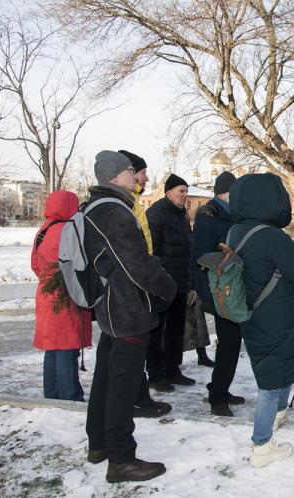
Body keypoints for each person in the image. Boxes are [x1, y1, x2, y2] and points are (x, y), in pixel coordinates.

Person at [83, 150, 176, 482]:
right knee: (124, 384)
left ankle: (98, 443)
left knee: (106, 378)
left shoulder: (92, 207)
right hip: (127, 310)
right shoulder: (115, 211)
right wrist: (167, 286)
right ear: (114, 176)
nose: (136, 175)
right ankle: (121, 459)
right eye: (130, 170)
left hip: (110, 307)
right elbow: (137, 264)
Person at [227, 173, 294, 468]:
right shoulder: (273, 236)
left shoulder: (235, 232)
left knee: (275, 370)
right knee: (271, 382)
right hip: (278, 317)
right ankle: (261, 445)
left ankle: (277, 418)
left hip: (252, 315)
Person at [118, 149, 172, 418]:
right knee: (128, 352)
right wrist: (157, 281)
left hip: (142, 283)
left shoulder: (135, 203)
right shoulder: (124, 206)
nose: (146, 177)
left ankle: (141, 397)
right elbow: (133, 253)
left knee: (138, 349)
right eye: (141, 172)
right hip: (133, 287)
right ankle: (134, 402)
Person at [190, 171, 246, 416]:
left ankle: (219, 388)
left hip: (230, 287)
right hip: (218, 290)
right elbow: (200, 256)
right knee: (230, 342)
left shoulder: (231, 214)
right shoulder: (208, 215)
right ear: (227, 193)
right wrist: (207, 295)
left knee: (231, 343)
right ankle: (217, 398)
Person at [31, 190, 92, 401]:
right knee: (67, 348)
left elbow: (35, 264)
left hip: (46, 295)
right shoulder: (69, 230)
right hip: (66, 296)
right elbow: (80, 263)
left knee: (53, 349)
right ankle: (71, 397)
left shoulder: (43, 230)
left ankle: (52, 394)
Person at [145, 173, 196, 391]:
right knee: (158, 332)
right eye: (181, 191)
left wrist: (190, 283)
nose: (185, 195)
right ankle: (156, 374)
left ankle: (173, 369)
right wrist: (159, 281)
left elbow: (188, 252)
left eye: (186, 191)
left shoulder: (181, 216)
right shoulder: (156, 213)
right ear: (168, 193)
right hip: (162, 285)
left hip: (180, 283)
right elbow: (151, 250)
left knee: (176, 330)